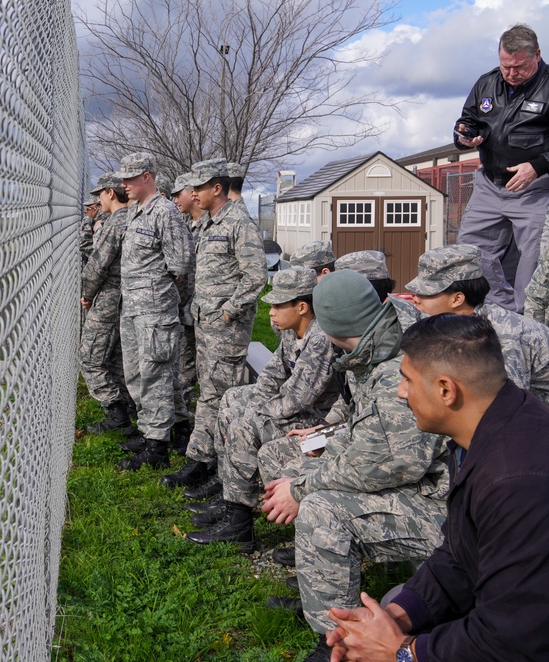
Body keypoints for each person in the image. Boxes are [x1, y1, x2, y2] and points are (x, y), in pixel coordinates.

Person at [326, 314, 549, 662]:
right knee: (395, 601)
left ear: (446, 390)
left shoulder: (515, 482)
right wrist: (394, 618)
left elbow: (510, 641)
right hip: (512, 620)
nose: (401, 392)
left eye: (407, 380)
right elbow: (460, 554)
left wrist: (400, 652)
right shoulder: (490, 425)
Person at [258, 270, 448, 662]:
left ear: (327, 326)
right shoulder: (375, 340)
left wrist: (302, 488)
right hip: (398, 470)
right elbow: (364, 428)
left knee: (321, 510)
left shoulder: (394, 363)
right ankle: (324, 589)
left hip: (439, 502)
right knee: (282, 458)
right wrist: (322, 441)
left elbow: (397, 464)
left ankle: (341, 641)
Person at [184, 267, 340, 545]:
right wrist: (252, 407)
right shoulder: (293, 331)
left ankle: (239, 524)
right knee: (232, 399)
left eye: (279, 305)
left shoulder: (320, 339)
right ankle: (228, 489)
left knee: (245, 427)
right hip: (295, 410)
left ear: (302, 307)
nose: (271, 312)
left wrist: (253, 416)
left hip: (316, 421)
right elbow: (271, 377)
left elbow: (296, 399)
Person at [163, 158, 266, 491]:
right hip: (206, 324)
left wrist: (229, 311)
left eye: (198, 187)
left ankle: (212, 465)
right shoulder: (209, 223)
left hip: (226, 328)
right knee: (211, 393)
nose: (193, 193)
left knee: (218, 395)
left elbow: (256, 276)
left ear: (216, 188)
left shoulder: (239, 222)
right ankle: (208, 461)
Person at [453, 23, 549, 312]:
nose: (511, 73)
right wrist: (465, 134)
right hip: (490, 185)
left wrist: (536, 165)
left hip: (535, 189)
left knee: (533, 259)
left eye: (519, 67)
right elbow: (467, 119)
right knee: (470, 252)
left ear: (538, 55)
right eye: (505, 65)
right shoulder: (487, 83)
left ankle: (529, 322)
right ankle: (501, 312)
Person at [114, 152, 194, 469]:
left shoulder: (165, 212)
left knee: (156, 376)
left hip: (155, 310)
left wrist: (156, 285)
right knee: (136, 372)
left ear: (147, 176)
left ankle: (157, 447)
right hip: (132, 308)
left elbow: (182, 262)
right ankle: (162, 428)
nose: (124, 184)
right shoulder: (137, 212)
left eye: (130, 178)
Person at [405, 243, 549, 403]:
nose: (415, 299)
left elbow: (507, 407)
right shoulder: (461, 324)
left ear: (457, 299)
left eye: (425, 293)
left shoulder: (503, 335)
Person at [81, 172, 137, 434]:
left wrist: (88, 294)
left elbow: (97, 266)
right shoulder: (137, 218)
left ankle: (116, 413)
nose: (98, 200)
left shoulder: (114, 224)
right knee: (115, 357)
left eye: (100, 194)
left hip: (108, 298)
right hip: (131, 298)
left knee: (90, 358)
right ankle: (128, 407)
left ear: (110, 193)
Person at [170, 172, 203, 432]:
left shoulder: (213, 223)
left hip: (208, 312)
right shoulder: (183, 224)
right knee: (183, 367)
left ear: (192, 193)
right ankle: (185, 424)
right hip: (186, 309)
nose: (174, 199)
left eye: (177, 193)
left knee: (207, 374)